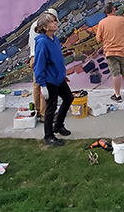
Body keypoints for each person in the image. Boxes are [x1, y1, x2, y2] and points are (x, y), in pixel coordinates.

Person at [33, 12, 74, 147]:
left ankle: (58, 126)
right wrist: (42, 85)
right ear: (45, 27)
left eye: (55, 21)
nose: (55, 23)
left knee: (68, 98)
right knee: (51, 108)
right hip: (49, 81)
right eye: (52, 21)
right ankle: (48, 136)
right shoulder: (42, 43)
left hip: (59, 78)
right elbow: (38, 66)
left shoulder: (54, 39)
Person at [94, 3, 124, 103]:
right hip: (123, 51)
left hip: (110, 52)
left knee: (115, 74)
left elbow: (98, 39)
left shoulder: (102, 23)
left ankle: (117, 95)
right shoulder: (121, 19)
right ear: (114, 10)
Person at [28, 9, 55, 119]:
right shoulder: (43, 28)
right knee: (44, 86)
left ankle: (38, 110)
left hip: (33, 56)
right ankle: (44, 114)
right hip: (39, 57)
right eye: (53, 20)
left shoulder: (36, 24)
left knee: (36, 85)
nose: (54, 22)